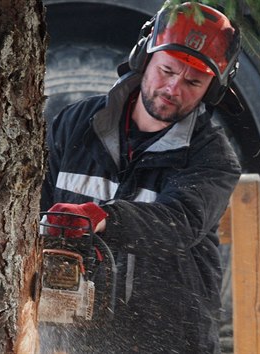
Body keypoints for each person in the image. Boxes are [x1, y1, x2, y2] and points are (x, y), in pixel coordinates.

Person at [39, 2, 242, 353]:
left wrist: (104, 217)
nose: (173, 89)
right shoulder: (76, 124)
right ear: (143, 59)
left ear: (213, 89)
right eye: (167, 70)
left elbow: (180, 221)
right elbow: (29, 207)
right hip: (72, 336)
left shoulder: (213, 158)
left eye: (193, 82)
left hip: (166, 339)